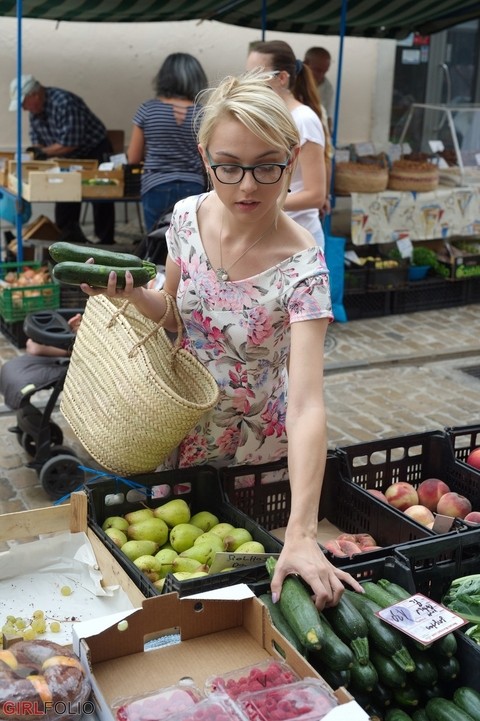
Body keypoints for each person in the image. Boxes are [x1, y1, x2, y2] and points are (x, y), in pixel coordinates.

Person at [82, 70, 363, 609]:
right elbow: (170, 312)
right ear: (204, 155)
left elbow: (306, 403)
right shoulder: (186, 218)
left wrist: (303, 531)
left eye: (267, 166)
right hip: (179, 426)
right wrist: (126, 297)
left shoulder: (304, 266)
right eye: (229, 167)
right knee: (175, 569)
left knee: (240, 575)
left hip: (255, 447)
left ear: (292, 155)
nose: (249, 186)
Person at [8, 75, 115, 245]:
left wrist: (43, 152)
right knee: (64, 193)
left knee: (100, 194)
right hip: (68, 157)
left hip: (94, 150)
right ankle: (69, 239)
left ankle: (105, 241)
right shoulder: (35, 110)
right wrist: (38, 152)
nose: (24, 109)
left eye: (24, 103)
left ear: (34, 95)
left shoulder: (63, 102)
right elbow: (37, 139)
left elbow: (71, 142)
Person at [245, 41, 328, 247]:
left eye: (258, 76)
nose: (249, 83)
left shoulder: (303, 119)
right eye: (247, 75)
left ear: (282, 78)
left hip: (299, 238)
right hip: (271, 232)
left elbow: (316, 195)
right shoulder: (269, 115)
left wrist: (261, 203)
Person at [127, 53, 208, 234]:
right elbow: (208, 157)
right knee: (188, 241)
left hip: (156, 185)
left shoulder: (148, 110)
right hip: (192, 186)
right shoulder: (204, 114)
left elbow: (133, 157)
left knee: (157, 242)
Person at [0, 313, 81, 411]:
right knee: (31, 346)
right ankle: (67, 346)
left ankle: (68, 347)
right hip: (71, 351)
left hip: (80, 359)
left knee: (32, 348)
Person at [303, 47, 335, 133]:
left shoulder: (327, 88)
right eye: (317, 70)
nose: (321, 76)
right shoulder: (291, 81)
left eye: (324, 71)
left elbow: (328, 116)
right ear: (306, 63)